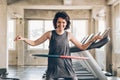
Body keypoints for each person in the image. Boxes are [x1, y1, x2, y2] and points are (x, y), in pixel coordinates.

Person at [14, 11, 102, 80]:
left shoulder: (69, 35)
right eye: (59, 22)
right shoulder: (50, 34)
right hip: (53, 68)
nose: (61, 24)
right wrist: (23, 39)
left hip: (67, 67)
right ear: (55, 22)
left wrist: (93, 39)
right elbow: (34, 43)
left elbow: (82, 47)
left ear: (66, 23)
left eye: (63, 22)